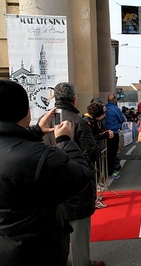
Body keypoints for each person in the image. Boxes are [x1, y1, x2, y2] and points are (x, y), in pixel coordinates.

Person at [0, 80, 93, 266]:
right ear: (26, 111)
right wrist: (66, 140)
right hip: (35, 249)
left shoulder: (22, 149)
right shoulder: (35, 156)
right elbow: (81, 175)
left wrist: (36, 131)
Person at [43, 82, 104, 266]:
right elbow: (91, 153)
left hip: (50, 186)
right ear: (74, 99)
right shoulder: (78, 122)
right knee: (78, 236)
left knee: (57, 235)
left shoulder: (44, 121)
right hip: (75, 186)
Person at [83, 102, 115, 209]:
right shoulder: (86, 122)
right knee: (90, 178)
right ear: (98, 114)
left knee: (94, 176)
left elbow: (98, 131)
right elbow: (92, 137)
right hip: (87, 154)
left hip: (92, 153)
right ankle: (93, 200)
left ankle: (95, 197)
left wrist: (106, 132)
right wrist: (106, 134)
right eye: (103, 114)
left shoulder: (93, 121)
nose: (104, 116)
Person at [105, 93, 127, 179]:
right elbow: (122, 120)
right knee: (112, 154)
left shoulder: (104, 107)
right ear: (114, 100)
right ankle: (111, 172)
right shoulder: (115, 109)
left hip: (104, 134)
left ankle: (106, 172)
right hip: (114, 133)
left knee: (106, 154)